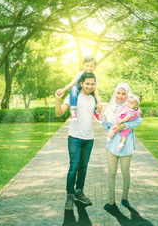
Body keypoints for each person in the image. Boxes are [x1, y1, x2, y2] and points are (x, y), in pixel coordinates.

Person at [55, 72, 97, 210]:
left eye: (92, 84)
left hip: (89, 138)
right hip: (74, 137)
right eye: (87, 84)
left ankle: (79, 192)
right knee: (74, 167)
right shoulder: (73, 96)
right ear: (81, 83)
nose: (90, 86)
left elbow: (100, 115)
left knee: (83, 167)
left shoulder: (93, 99)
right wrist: (57, 100)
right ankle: (70, 195)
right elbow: (59, 113)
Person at [102, 83, 142, 210]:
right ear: (115, 93)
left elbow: (138, 120)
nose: (120, 96)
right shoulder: (111, 107)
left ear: (127, 95)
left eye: (123, 93)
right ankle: (111, 200)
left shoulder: (131, 107)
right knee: (111, 172)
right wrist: (102, 113)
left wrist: (123, 126)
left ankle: (125, 197)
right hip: (112, 145)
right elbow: (105, 125)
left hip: (126, 145)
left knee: (125, 172)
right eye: (118, 93)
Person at [56, 55, 103, 123]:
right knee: (73, 89)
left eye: (91, 66)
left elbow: (95, 90)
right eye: (87, 66)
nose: (89, 68)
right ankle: (73, 111)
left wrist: (99, 103)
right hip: (77, 88)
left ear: (95, 67)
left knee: (95, 93)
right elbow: (72, 83)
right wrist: (62, 91)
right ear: (83, 66)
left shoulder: (94, 77)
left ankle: (95, 112)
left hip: (89, 131)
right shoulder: (80, 74)